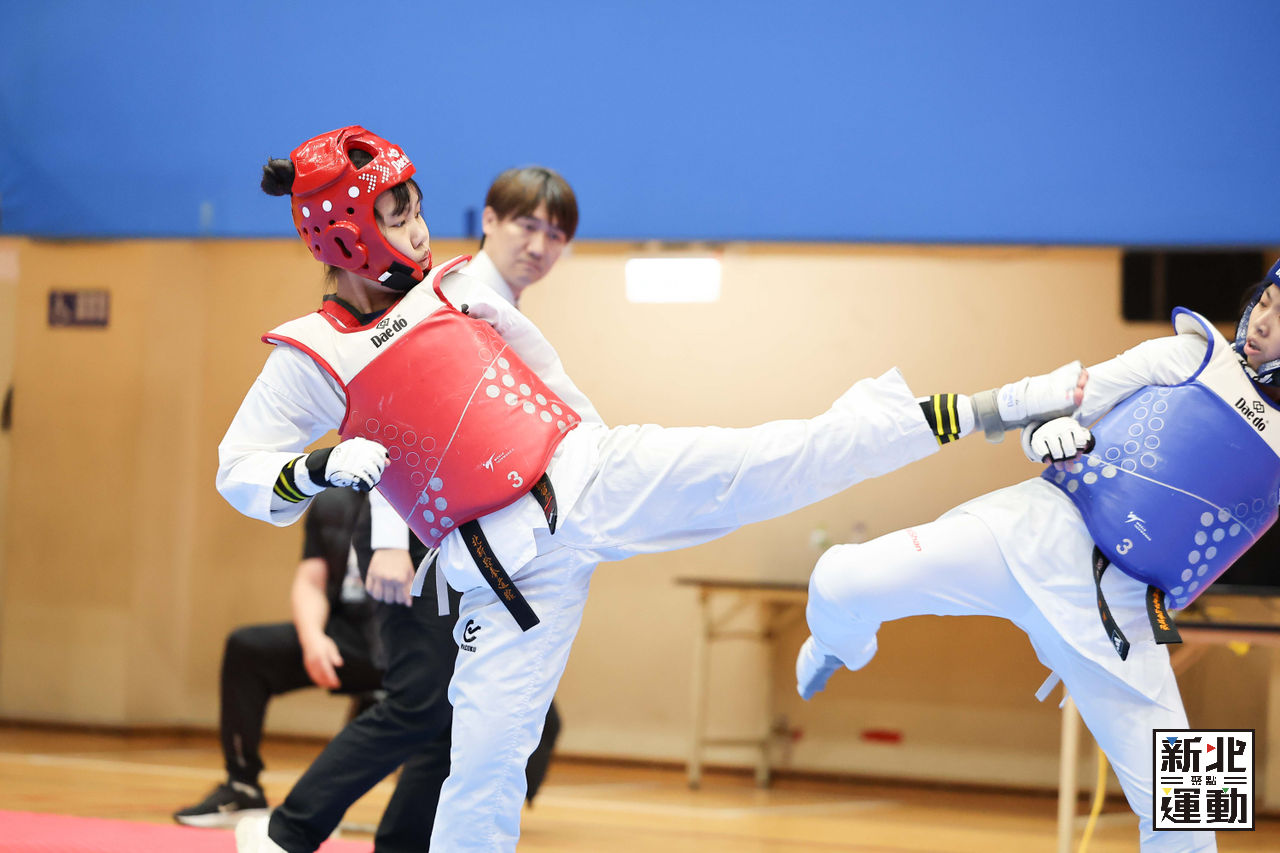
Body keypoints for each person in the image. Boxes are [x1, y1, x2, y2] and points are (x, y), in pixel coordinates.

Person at [217, 125, 1087, 853]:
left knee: (777, 458)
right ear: (342, 230)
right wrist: (314, 471)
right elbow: (240, 469)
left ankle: (987, 406)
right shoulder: (314, 354)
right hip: (505, 580)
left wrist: (600, 453)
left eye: (413, 205)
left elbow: (548, 376)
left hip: (590, 478)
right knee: (482, 772)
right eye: (395, 211)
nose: (415, 229)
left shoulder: (457, 288)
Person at [796, 260, 1280, 853]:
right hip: (1037, 527)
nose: (1262, 322)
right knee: (840, 578)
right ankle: (838, 647)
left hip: (1126, 616)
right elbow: (1054, 405)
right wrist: (1043, 434)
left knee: (1195, 819)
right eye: (1265, 301)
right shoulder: (1188, 354)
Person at [244, 166, 577, 853]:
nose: (540, 245)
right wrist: (389, 539)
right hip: (413, 528)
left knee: (459, 714)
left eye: (556, 234)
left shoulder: (460, 294)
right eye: (528, 225)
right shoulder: (435, 295)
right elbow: (396, 419)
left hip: (467, 531)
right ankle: (287, 834)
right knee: (421, 701)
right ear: (489, 219)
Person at [174, 488, 381, 828]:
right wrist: (313, 639)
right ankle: (242, 786)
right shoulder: (333, 500)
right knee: (248, 649)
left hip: (412, 640)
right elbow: (311, 581)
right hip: (350, 635)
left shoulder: (424, 494)